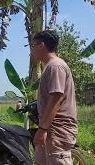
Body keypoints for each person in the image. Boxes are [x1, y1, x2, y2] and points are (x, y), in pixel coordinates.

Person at [31, 30, 78, 164]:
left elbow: (56, 98)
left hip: (56, 130)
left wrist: (42, 129)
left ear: (42, 45)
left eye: (33, 45)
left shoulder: (55, 66)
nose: (32, 50)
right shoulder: (50, 67)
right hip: (49, 129)